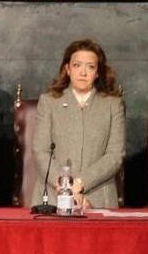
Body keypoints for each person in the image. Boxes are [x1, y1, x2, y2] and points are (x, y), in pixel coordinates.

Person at [30, 39, 127, 211]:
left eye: (90, 67)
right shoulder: (49, 102)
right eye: (77, 65)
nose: (83, 72)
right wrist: (65, 185)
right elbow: (40, 150)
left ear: (98, 72)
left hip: (98, 197)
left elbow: (115, 155)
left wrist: (80, 183)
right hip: (54, 196)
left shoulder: (113, 104)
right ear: (67, 69)